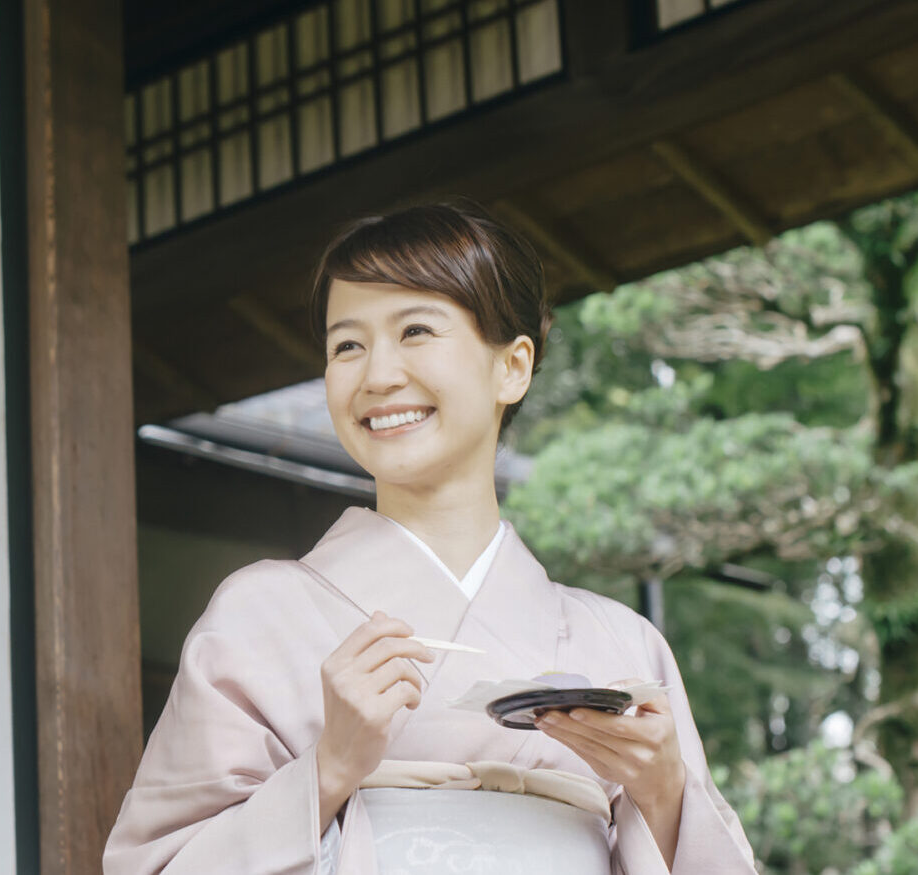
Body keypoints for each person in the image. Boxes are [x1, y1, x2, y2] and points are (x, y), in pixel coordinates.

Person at [103, 203, 755, 873]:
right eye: (346, 345)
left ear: (514, 366)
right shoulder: (257, 615)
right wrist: (329, 768)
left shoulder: (623, 643)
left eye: (416, 330)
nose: (377, 375)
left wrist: (665, 794)